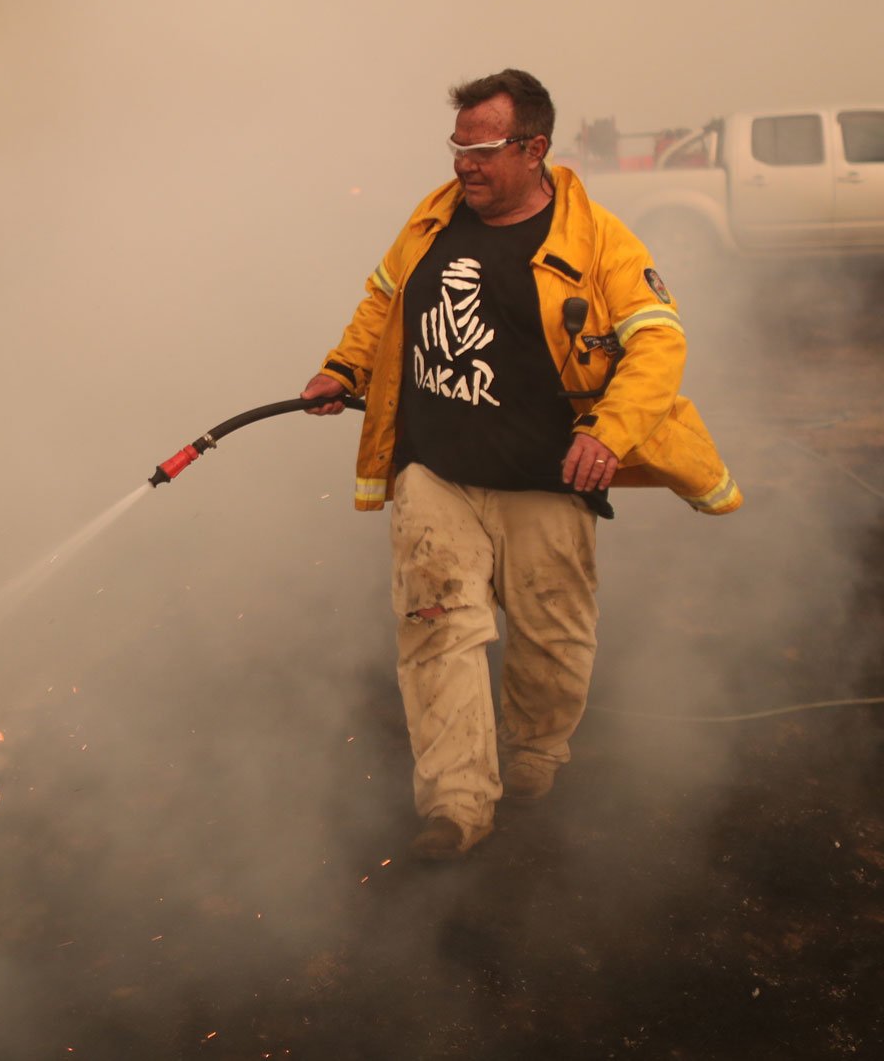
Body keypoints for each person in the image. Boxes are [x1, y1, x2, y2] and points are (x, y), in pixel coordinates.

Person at [301, 69, 742, 860]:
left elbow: (658, 342)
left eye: (483, 148)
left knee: (551, 637)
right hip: (435, 469)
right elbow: (383, 301)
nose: (464, 163)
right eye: (458, 145)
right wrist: (345, 367)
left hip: (547, 477)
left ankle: (533, 756)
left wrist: (606, 434)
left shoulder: (599, 239)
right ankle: (456, 804)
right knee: (437, 625)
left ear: (535, 149)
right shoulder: (432, 221)